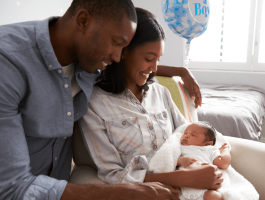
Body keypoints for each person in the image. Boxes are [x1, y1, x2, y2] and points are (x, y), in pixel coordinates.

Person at [0, 0, 203, 200]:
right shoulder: (8, 64)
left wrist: (181, 71)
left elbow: (131, 64)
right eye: (116, 43)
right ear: (83, 21)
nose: (117, 56)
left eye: (123, 47)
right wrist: (125, 192)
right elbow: (13, 187)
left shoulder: (89, 58)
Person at [79, 7, 223, 198]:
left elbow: (187, 133)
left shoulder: (160, 92)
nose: (154, 68)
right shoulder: (95, 104)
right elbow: (113, 175)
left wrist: (218, 152)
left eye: (158, 59)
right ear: (123, 52)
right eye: (149, 58)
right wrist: (184, 179)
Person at [178, 122, 231, 200]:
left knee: (215, 196)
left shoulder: (209, 149)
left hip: (205, 187)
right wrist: (180, 160)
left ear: (207, 144)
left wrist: (225, 150)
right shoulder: (178, 147)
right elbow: (170, 159)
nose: (187, 135)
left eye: (193, 135)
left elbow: (224, 163)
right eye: (185, 133)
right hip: (183, 186)